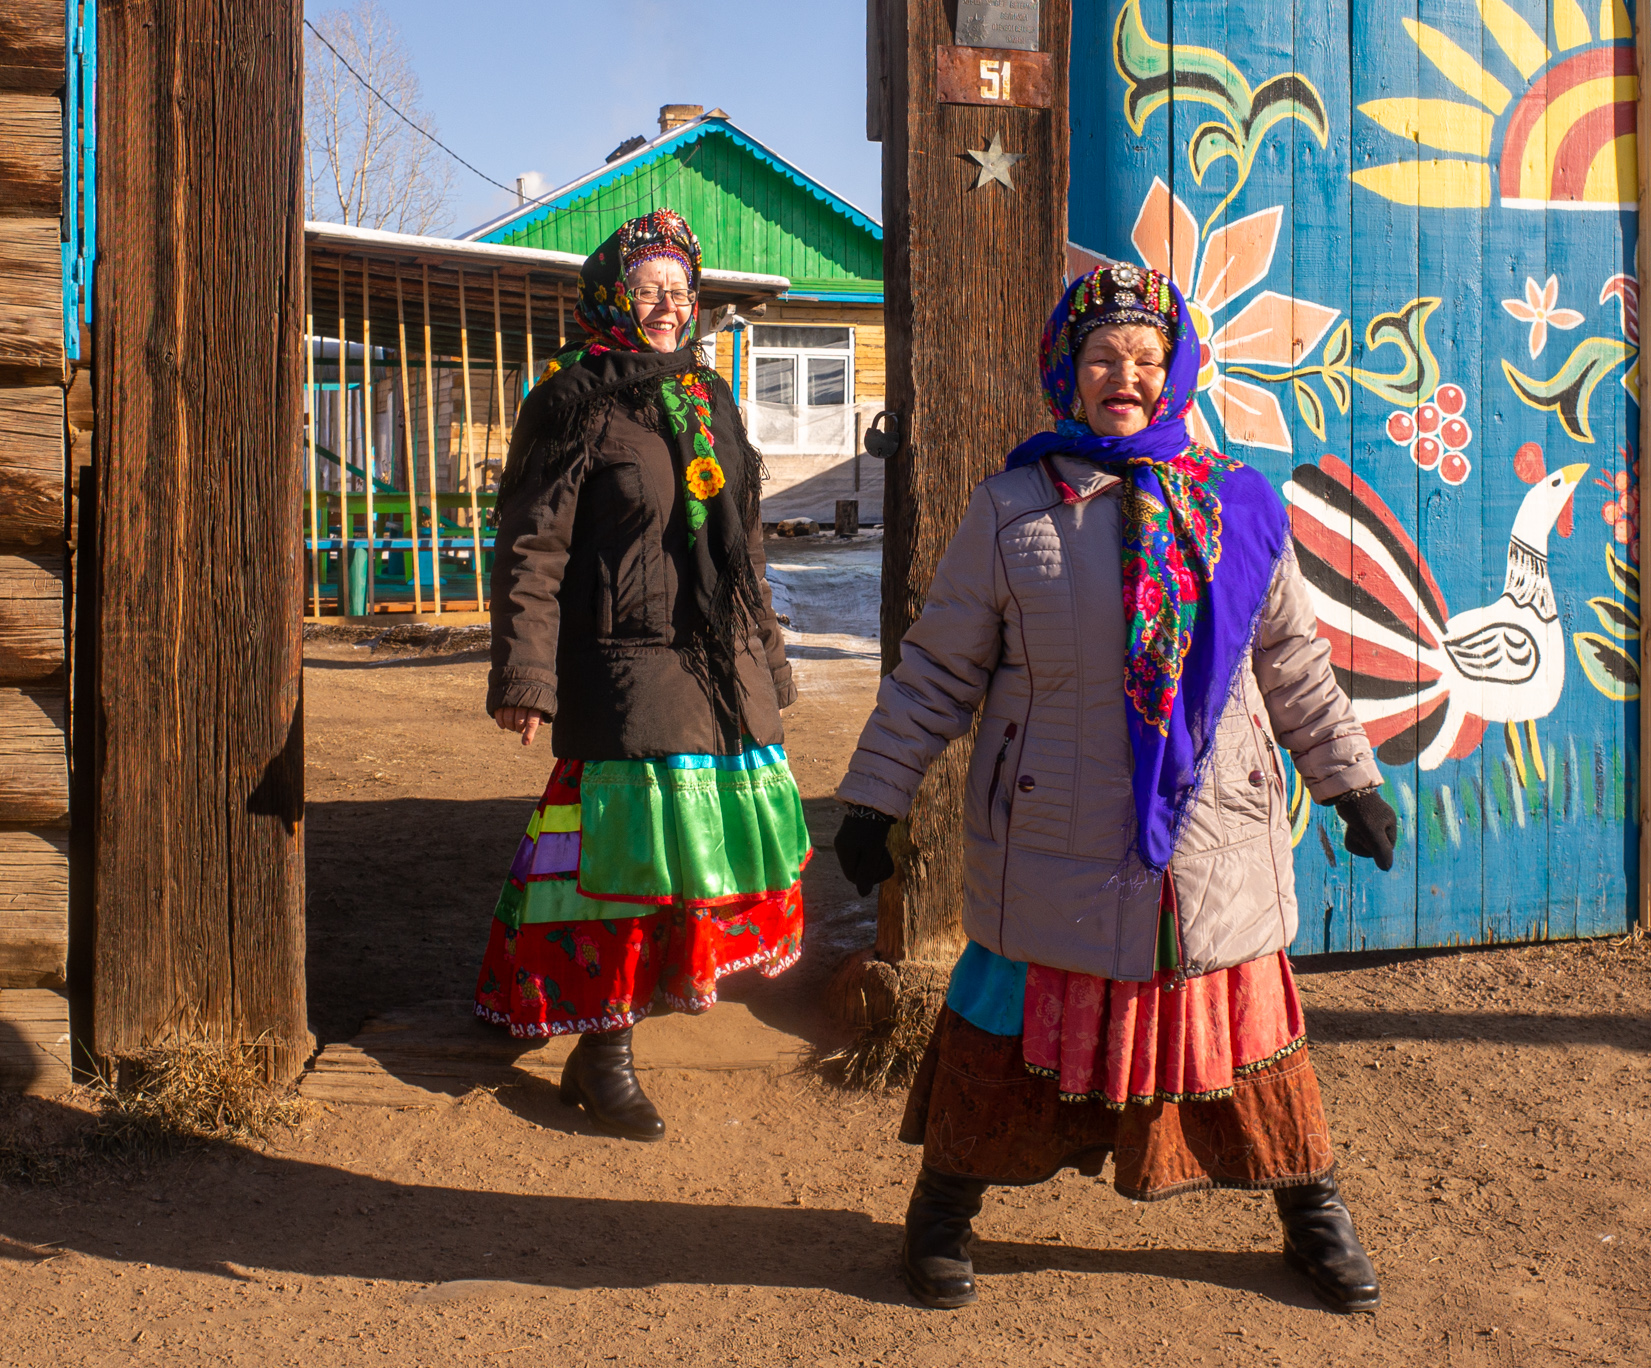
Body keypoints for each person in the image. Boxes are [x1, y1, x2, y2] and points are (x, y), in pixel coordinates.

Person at [831, 262, 1402, 1313]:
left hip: (1207, 835)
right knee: (1002, 1029)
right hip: (1053, 831)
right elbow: (939, 669)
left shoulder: (1238, 503)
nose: (1123, 376)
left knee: (1251, 1032)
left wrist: (1346, 779)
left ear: (1177, 370)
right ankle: (940, 1215)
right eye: (1102, 358)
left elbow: (1291, 663)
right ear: (1068, 371)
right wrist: (876, 796)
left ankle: (1310, 1214)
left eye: (1145, 358)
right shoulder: (1012, 508)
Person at [475, 208, 810, 1142]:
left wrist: (770, 663)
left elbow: (742, 550)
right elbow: (533, 547)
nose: (667, 306)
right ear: (610, 296)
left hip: (719, 669)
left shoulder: (709, 397)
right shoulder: (575, 399)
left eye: (680, 290)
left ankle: (634, 1023)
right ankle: (605, 1051)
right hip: (626, 669)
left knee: (695, 870)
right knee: (617, 876)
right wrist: (525, 676)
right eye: (647, 288)